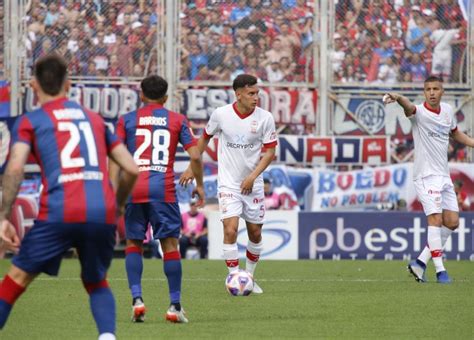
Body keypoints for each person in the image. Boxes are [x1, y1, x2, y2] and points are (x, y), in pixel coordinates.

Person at [0, 54, 139, 339]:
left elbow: (14, 168)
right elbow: (132, 169)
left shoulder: (31, 121)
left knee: (16, 280)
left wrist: (3, 217)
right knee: (96, 280)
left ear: (33, 85)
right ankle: (107, 336)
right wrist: (118, 206)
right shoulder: (95, 120)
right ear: (69, 84)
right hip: (101, 212)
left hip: (59, 211)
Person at [109, 75, 204, 324]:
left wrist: (113, 188)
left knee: (133, 244)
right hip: (163, 192)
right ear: (165, 97)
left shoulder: (126, 121)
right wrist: (200, 185)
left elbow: (115, 156)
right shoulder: (177, 120)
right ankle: (174, 306)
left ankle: (137, 300)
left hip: (133, 190)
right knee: (170, 246)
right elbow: (195, 156)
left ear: (141, 95)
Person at [180, 74, 278, 294]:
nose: (256, 98)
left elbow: (270, 152)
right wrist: (191, 165)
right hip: (229, 184)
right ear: (238, 94)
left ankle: (249, 277)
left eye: (257, 93)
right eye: (251, 93)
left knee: (255, 233)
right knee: (230, 229)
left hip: (253, 184)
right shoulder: (221, 115)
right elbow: (204, 139)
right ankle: (234, 277)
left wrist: (253, 176)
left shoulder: (265, 118)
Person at [384, 76, 474, 284]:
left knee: (451, 222)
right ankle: (440, 271)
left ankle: (420, 263)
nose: (431, 92)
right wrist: (398, 97)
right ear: (424, 93)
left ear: (442, 92)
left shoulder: (448, 111)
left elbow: (455, 133)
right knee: (435, 219)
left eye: (435, 89)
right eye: (428, 89)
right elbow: (408, 106)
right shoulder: (419, 113)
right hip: (425, 176)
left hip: (443, 175)